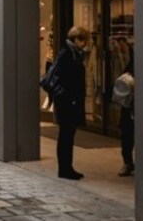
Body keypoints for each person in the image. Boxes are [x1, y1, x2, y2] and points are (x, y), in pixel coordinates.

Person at [53, 25, 89, 180]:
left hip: (68, 101)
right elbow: (66, 79)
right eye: (83, 40)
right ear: (76, 39)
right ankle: (65, 169)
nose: (85, 44)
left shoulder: (72, 53)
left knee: (68, 135)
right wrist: (72, 98)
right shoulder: (68, 54)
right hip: (67, 102)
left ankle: (67, 167)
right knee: (66, 135)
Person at [114, 56, 135, 177]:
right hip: (129, 104)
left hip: (136, 103)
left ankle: (128, 163)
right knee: (127, 134)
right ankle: (127, 162)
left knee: (129, 134)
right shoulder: (133, 57)